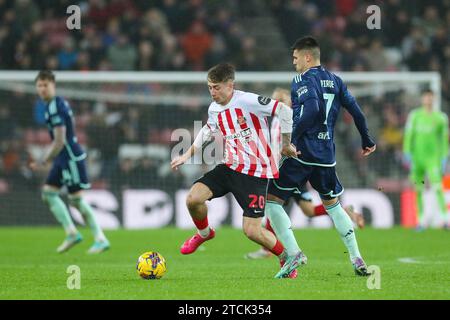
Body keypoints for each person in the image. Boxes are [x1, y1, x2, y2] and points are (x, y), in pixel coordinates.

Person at [170, 63, 305, 278]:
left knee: (251, 231)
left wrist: (286, 143)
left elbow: (284, 110)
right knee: (193, 199)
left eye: (217, 88)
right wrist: (186, 155)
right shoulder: (214, 108)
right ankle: (204, 233)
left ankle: (286, 258)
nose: (212, 93)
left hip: (255, 173)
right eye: (209, 88)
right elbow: (208, 130)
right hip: (229, 167)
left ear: (230, 85)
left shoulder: (248, 101)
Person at [266, 37, 376, 277]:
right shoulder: (336, 81)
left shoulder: (301, 80)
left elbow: (313, 108)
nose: (293, 63)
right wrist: (367, 139)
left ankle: (294, 253)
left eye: (295, 58)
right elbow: (356, 111)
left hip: (303, 153)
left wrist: (291, 139)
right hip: (327, 155)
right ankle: (356, 257)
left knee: (271, 200)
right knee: (333, 206)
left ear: (307, 57)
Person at [246, 88, 364, 260]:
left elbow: (289, 145)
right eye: (274, 100)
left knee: (272, 203)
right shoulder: (275, 120)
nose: (276, 103)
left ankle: (271, 251)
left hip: (289, 170)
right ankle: (346, 211)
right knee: (307, 210)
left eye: (281, 99)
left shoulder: (291, 119)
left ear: (289, 101)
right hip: (289, 169)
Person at [30, 70, 110, 254]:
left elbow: (59, 140)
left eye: (45, 85)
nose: (42, 89)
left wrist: (43, 160)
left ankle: (100, 238)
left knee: (76, 200)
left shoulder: (56, 106)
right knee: (48, 193)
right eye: (39, 85)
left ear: (53, 85)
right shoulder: (54, 105)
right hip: (62, 159)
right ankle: (72, 233)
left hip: (70, 158)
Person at [403, 89, 449, 230]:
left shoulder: (441, 118)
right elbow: (409, 134)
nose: (428, 100)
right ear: (423, 99)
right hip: (417, 159)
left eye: (430, 97)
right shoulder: (415, 116)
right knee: (418, 189)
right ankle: (421, 221)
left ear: (434, 99)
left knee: (437, 187)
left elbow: (444, 140)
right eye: (426, 97)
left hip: (433, 159)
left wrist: (444, 157)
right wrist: (407, 151)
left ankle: (445, 219)